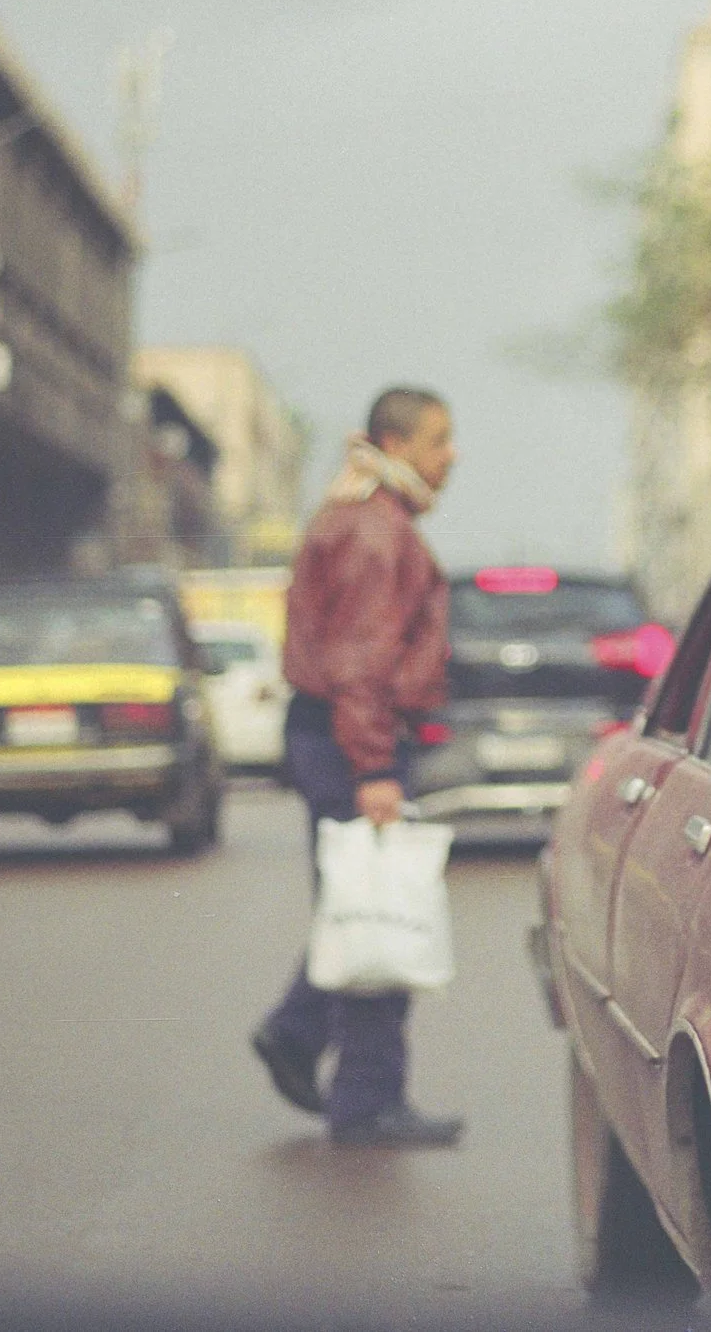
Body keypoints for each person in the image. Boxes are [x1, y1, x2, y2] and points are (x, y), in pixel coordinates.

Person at [250, 387, 463, 1147]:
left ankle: (300, 1036)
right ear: (398, 445)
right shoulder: (378, 531)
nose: (453, 456)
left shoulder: (362, 513)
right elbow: (362, 662)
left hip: (334, 733)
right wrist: (374, 767)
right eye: (440, 441)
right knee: (378, 912)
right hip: (355, 740)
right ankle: (367, 1103)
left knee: (356, 901)